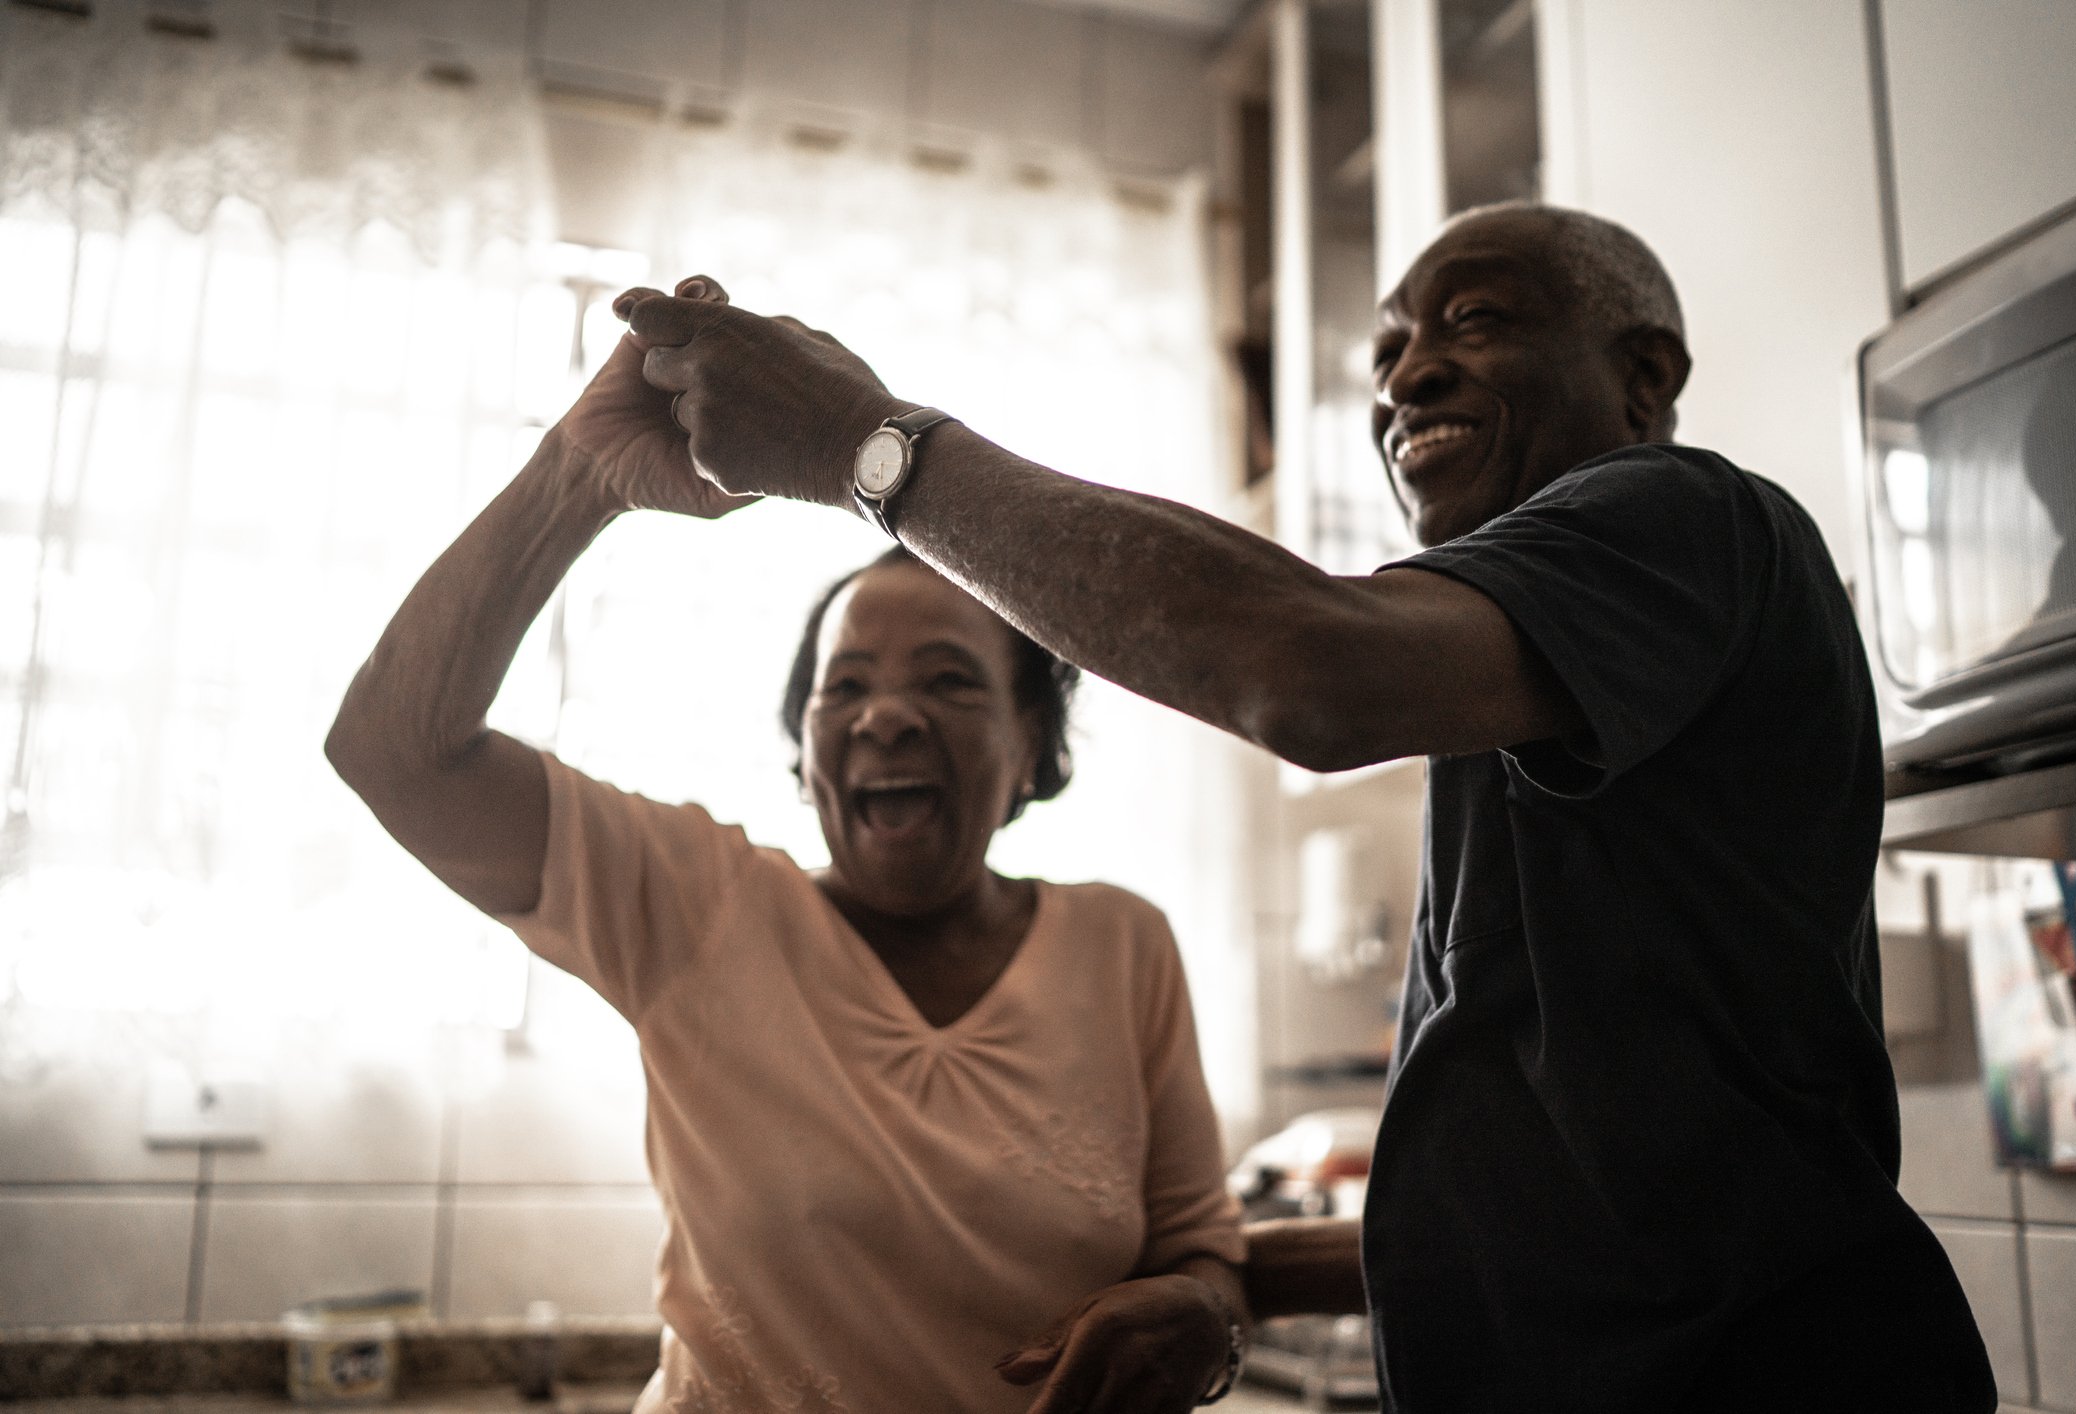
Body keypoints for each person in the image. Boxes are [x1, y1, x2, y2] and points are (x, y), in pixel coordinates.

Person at [612, 202, 1998, 1412]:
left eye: (1477, 318)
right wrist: (1218, 1279)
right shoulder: (1527, 683)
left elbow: (1305, 670)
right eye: (1387, 348)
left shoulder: (1687, 517)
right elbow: (1601, 1203)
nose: (1409, 373)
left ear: (1646, 378)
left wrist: (871, 446)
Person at [323, 324, 1249, 1414]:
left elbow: (1203, 1254)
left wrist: (1205, 1321)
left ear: (1034, 750)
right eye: (843, 687)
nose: (886, 716)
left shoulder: (1122, 944)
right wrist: (579, 474)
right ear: (804, 757)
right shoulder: (695, 905)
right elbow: (395, 750)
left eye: (947, 682)